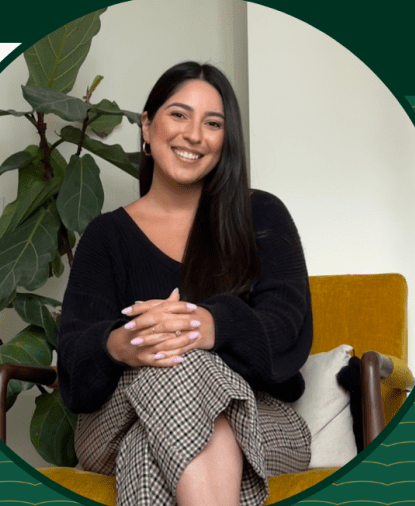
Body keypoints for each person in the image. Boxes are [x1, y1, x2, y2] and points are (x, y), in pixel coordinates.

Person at [57, 61, 313, 506]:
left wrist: (210, 327)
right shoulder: (106, 236)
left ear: (224, 140)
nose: (194, 134)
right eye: (179, 114)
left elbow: (287, 324)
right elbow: (75, 363)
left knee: (158, 425)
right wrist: (123, 344)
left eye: (212, 123)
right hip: (113, 420)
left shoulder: (262, 215)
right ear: (147, 126)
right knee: (174, 368)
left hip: (262, 417)